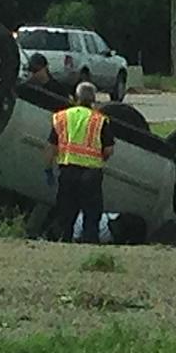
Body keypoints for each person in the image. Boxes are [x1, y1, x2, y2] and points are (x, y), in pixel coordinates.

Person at [44, 82, 115, 243]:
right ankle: (89, 244)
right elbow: (109, 150)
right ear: (94, 100)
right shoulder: (100, 121)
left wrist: (48, 170)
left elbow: (50, 147)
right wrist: (101, 158)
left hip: (68, 172)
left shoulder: (61, 117)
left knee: (66, 214)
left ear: (76, 98)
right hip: (91, 174)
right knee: (91, 215)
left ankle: (65, 244)